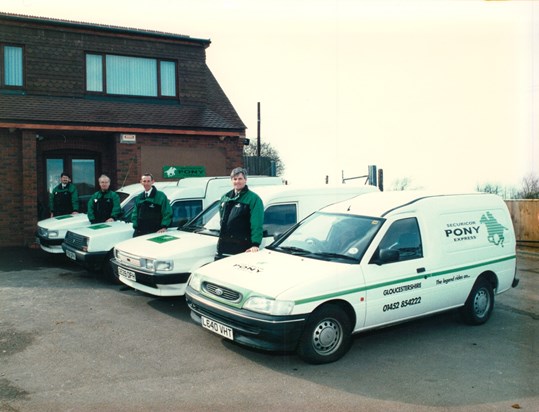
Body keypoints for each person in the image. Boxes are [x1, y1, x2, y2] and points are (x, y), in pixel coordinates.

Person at [216, 167, 264, 259]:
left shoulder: (254, 199)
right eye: (235, 179)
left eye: (240, 179)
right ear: (231, 180)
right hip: (224, 247)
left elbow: (256, 223)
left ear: (245, 180)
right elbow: (222, 221)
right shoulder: (225, 198)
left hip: (244, 248)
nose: (237, 181)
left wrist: (255, 244)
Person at [131, 173, 172, 237]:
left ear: (153, 182)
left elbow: (167, 212)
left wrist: (164, 227)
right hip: (140, 232)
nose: (146, 183)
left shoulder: (161, 196)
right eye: (144, 181)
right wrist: (135, 225)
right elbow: (135, 213)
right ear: (141, 182)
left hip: (156, 232)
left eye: (148, 181)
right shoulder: (139, 197)